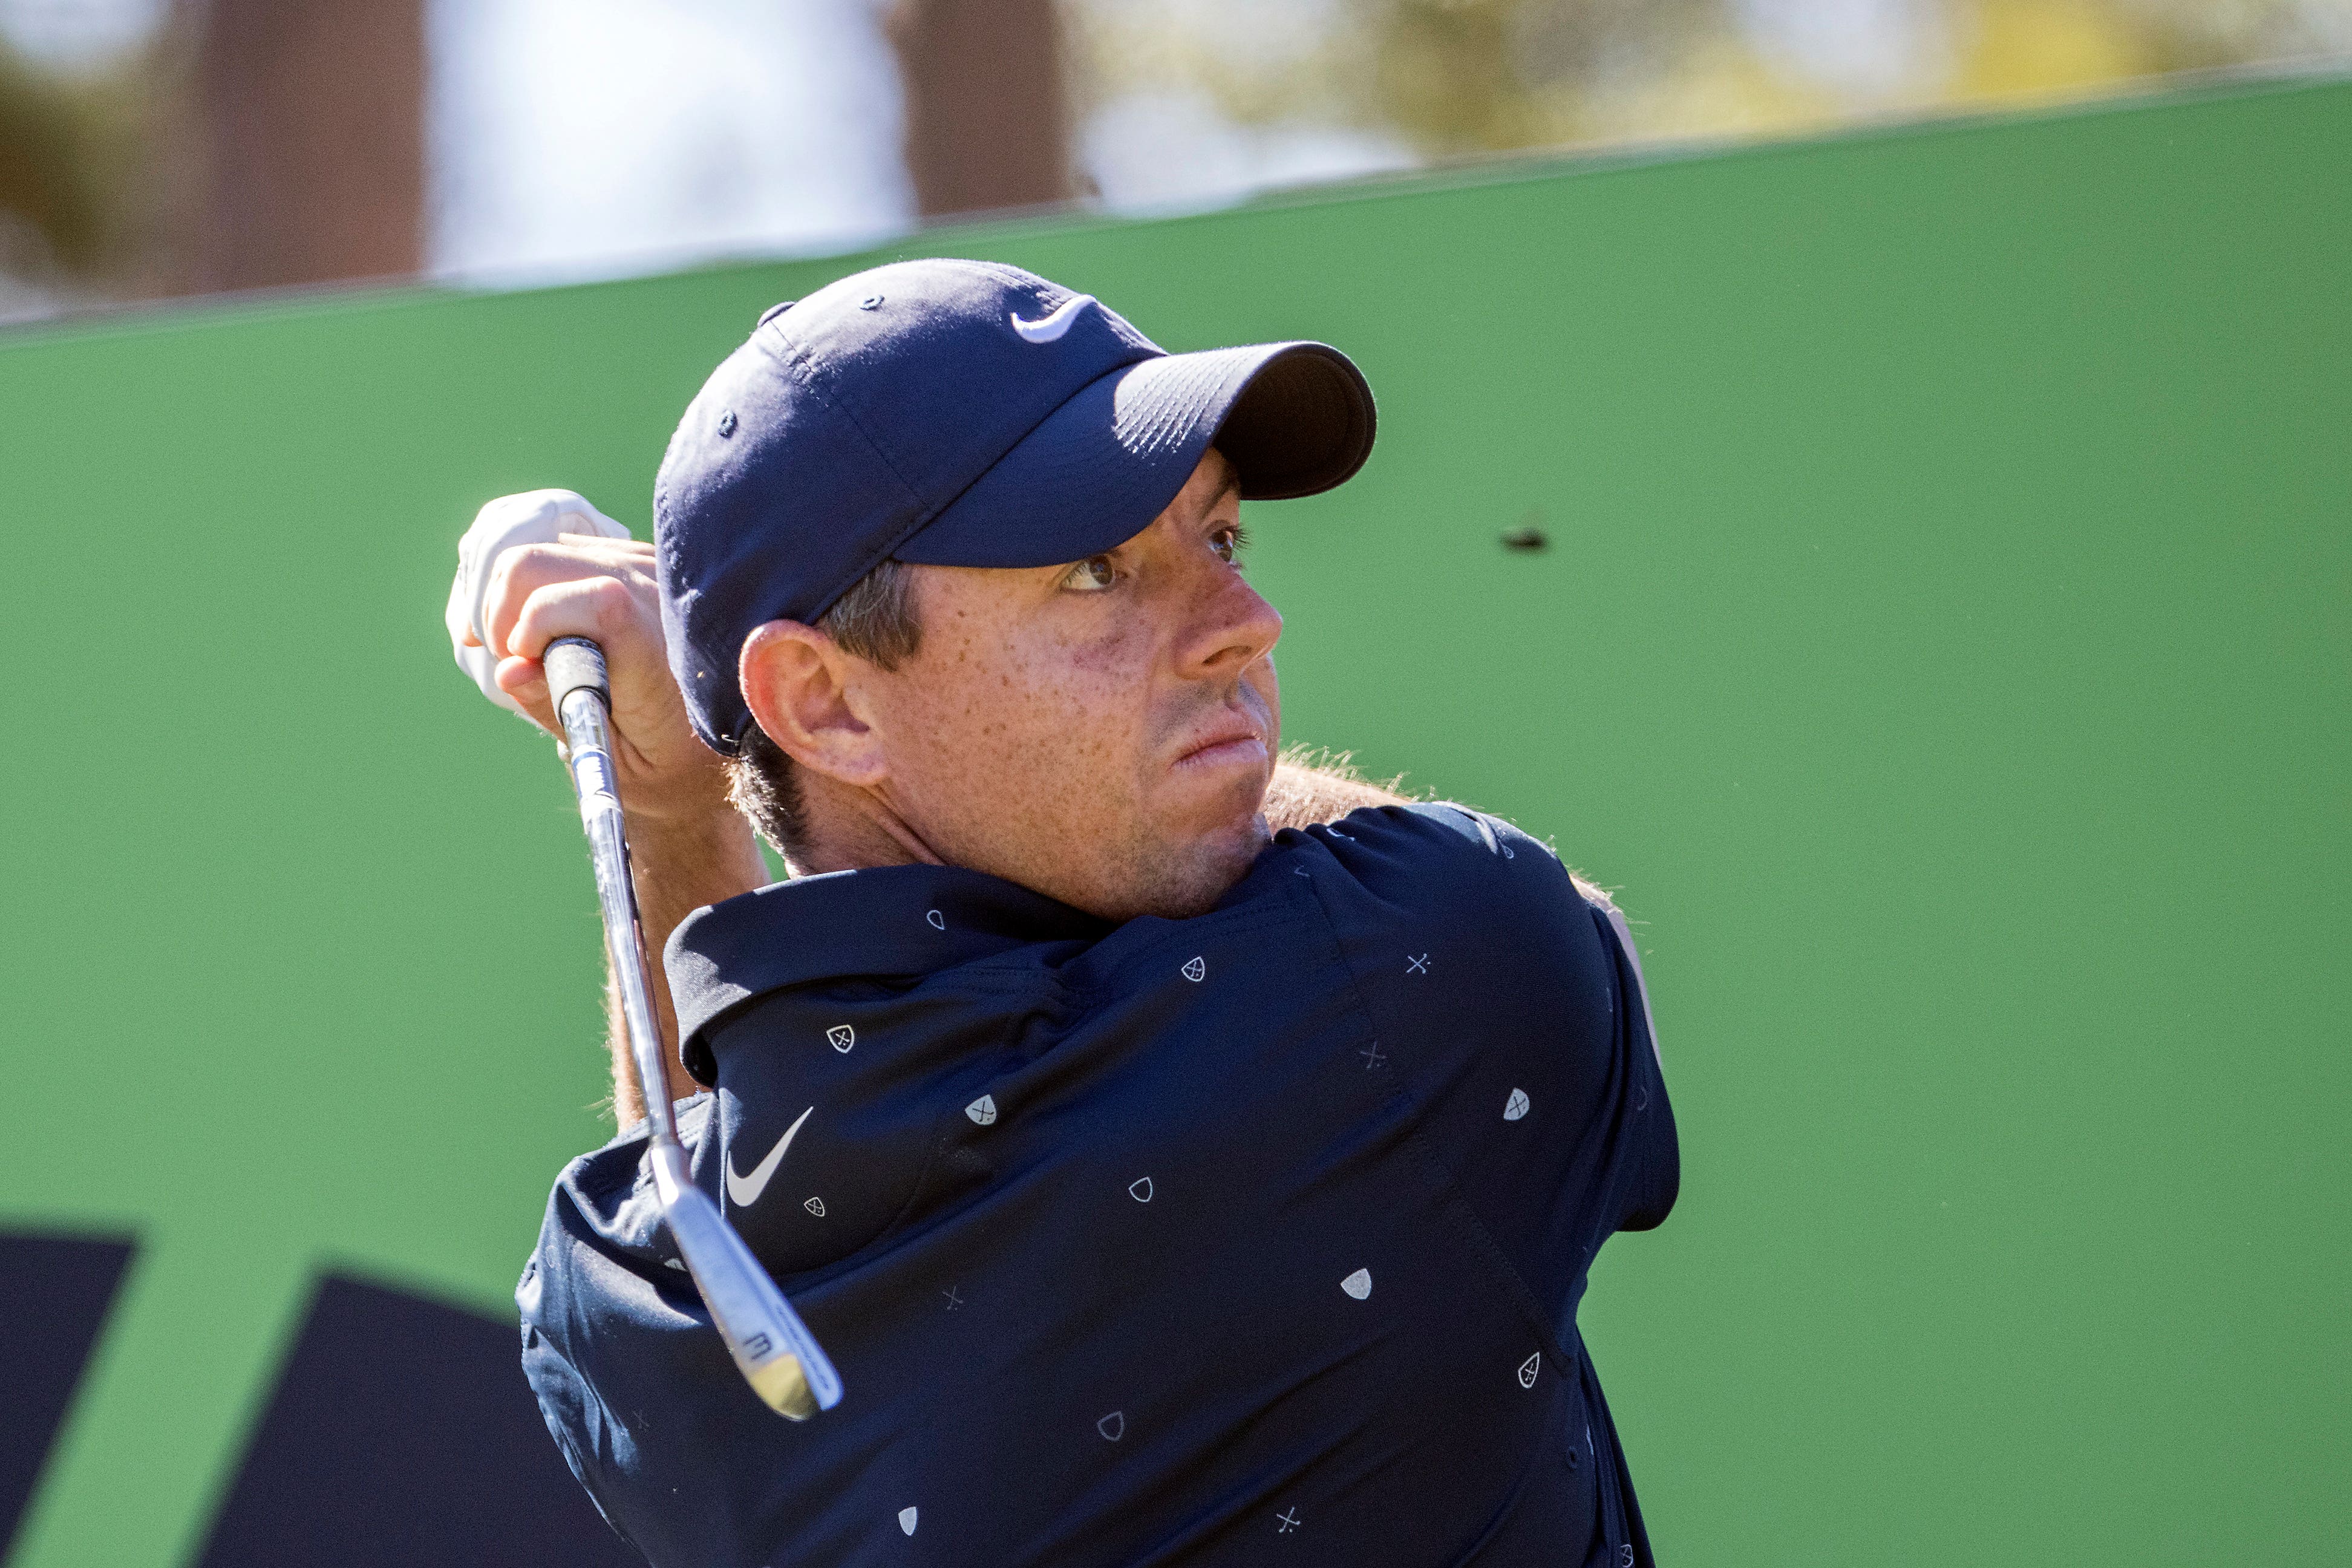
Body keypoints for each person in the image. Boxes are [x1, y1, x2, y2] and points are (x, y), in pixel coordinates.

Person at [466, 259, 1677, 1567]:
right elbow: (1584, 939)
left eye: (1219, 537)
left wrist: (668, 812)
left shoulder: (624, 1291)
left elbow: (730, 1185)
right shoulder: (1427, 977)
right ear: (824, 704)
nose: (1246, 622)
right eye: (1098, 571)